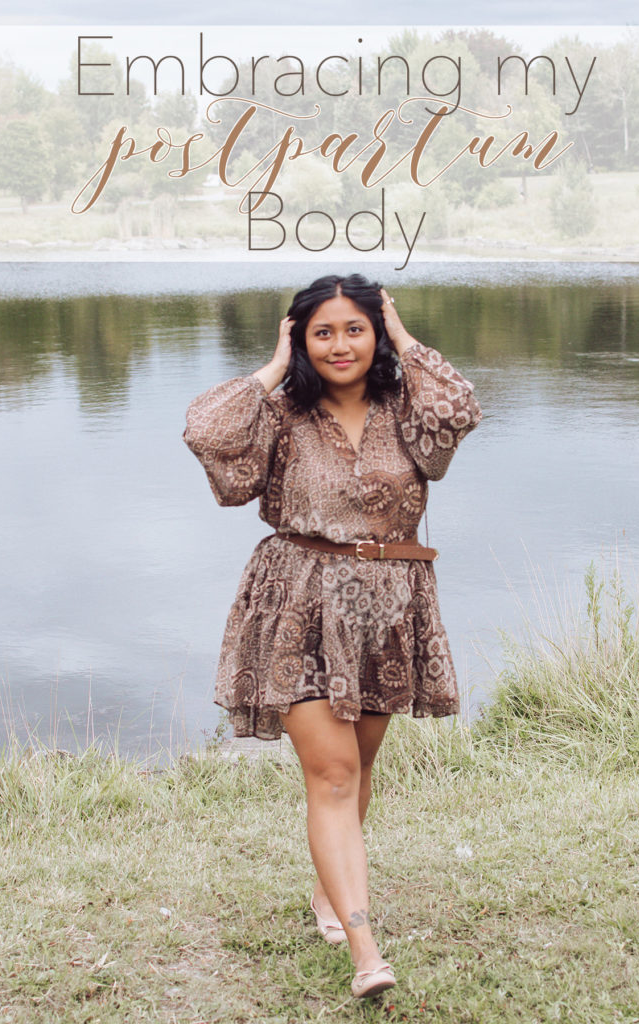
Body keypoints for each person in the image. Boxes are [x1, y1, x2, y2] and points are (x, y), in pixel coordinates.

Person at [183, 273, 482, 999]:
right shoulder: (280, 413)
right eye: (322, 331)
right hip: (296, 603)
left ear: (376, 334)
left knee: (357, 765)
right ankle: (364, 947)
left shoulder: (407, 407)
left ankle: (327, 891)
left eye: (355, 328)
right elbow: (206, 431)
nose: (340, 344)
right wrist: (273, 366)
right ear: (300, 338)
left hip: (389, 605)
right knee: (333, 773)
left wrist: (405, 338)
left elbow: (460, 408)